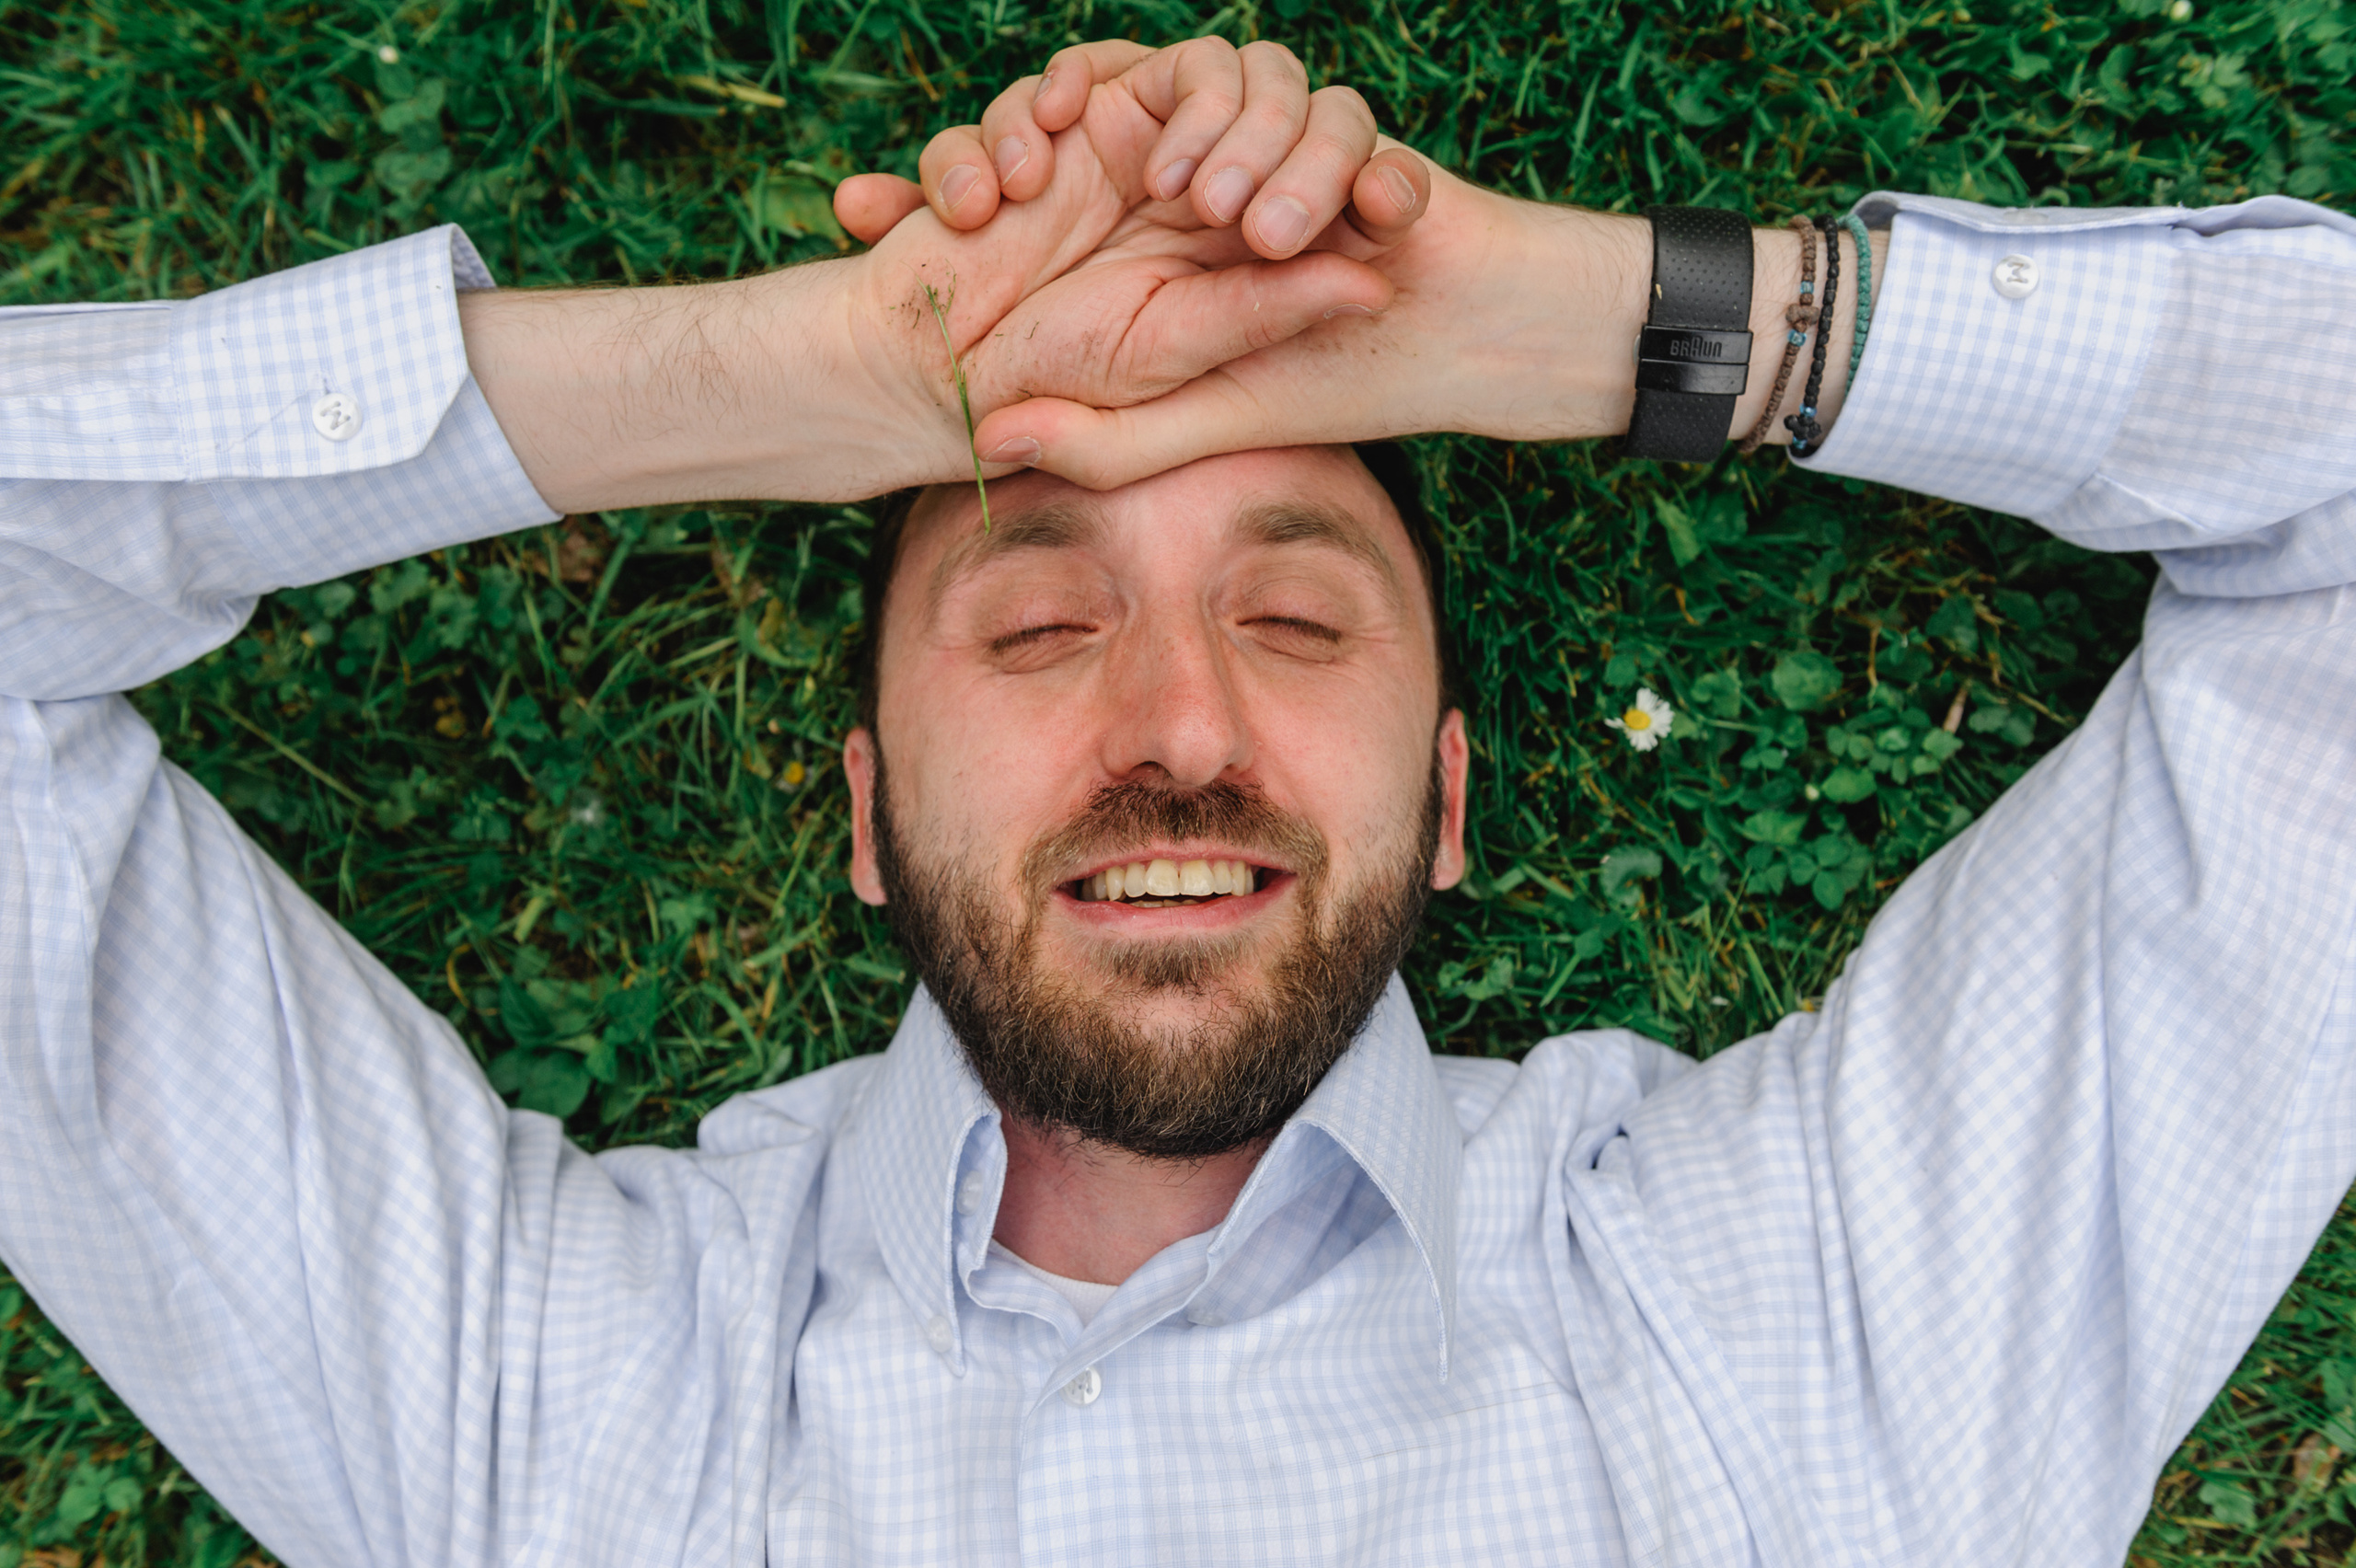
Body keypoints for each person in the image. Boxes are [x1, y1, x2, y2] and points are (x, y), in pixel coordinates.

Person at [3, 33, 2353, 1567]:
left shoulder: (1812, 1317)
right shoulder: (554, 1396)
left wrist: (1569, 329)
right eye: (1030, 623)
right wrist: (780, 380)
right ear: (855, 812)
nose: (1179, 723)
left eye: (1301, 619)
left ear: (1446, 798)